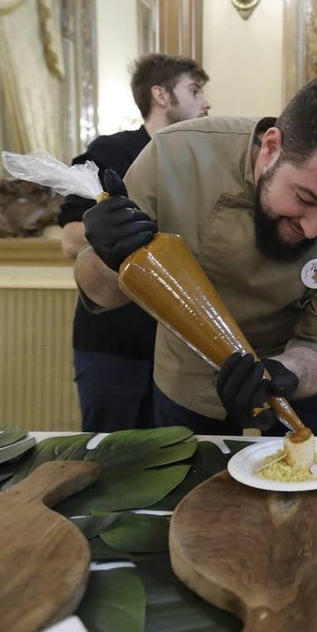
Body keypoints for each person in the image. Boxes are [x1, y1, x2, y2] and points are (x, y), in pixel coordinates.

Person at [73, 73, 317, 438]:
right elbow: (100, 294)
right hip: (187, 377)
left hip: (295, 382)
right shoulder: (176, 157)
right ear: (272, 148)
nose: (313, 228)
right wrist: (108, 254)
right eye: (305, 199)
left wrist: (285, 374)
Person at [58, 54, 211, 432]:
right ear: (161, 94)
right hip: (116, 341)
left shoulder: (207, 160)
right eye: (194, 90)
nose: (206, 102)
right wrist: (125, 230)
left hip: (185, 347)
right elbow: (69, 239)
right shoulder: (110, 152)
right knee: (113, 462)